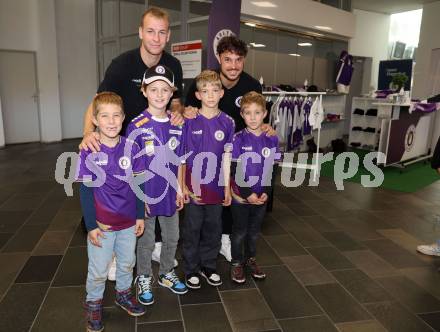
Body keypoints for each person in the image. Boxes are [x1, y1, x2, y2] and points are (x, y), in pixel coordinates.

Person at [80, 7, 183, 279]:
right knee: (117, 200)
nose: (156, 38)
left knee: (154, 200)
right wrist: (87, 134)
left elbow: (176, 104)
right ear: (140, 32)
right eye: (150, 31)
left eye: (162, 32)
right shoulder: (121, 65)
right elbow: (96, 103)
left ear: (168, 35)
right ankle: (113, 254)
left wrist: (182, 114)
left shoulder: (174, 65)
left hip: (154, 144)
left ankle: (155, 250)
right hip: (120, 144)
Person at [185, 36, 273, 262]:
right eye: (228, 59)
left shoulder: (252, 85)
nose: (233, 65)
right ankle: (212, 246)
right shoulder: (208, 83)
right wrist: (186, 112)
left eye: (238, 59)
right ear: (219, 59)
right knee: (211, 200)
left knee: (235, 195)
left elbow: (259, 113)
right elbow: (186, 108)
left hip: (242, 150)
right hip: (211, 150)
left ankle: (227, 238)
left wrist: (266, 127)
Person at [78, 92, 146, 332]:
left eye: (116, 115)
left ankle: (123, 294)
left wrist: (139, 215)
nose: (111, 121)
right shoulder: (89, 150)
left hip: (128, 222)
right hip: (102, 225)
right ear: (95, 120)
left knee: (127, 263)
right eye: (104, 116)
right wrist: (91, 226)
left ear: (124, 118)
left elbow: (139, 184)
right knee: (98, 270)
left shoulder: (131, 146)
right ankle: (94, 303)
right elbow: (86, 192)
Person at [126, 64, 188, 305]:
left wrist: (181, 188)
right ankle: (143, 276)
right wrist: (139, 200)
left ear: (172, 92)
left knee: (173, 237)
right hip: (147, 196)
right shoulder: (136, 125)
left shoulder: (177, 124)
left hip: (171, 193)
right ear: (144, 91)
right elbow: (132, 168)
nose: (160, 94)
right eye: (154, 89)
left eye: (165, 89)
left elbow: (181, 160)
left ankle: (165, 273)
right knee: (146, 241)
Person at [182, 70, 234, 289]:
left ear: (222, 93)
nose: (211, 95)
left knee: (214, 227)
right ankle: (191, 268)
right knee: (192, 228)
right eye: (205, 91)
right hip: (193, 187)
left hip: (216, 186)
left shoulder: (228, 122)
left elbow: (227, 157)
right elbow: (182, 157)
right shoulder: (189, 120)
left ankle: (209, 266)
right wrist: (182, 185)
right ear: (198, 94)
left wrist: (228, 188)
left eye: (215, 90)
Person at [229, 92, 280, 284]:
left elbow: (272, 169)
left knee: (254, 231)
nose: (252, 117)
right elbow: (235, 170)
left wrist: (266, 191)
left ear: (265, 113)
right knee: (240, 231)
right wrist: (247, 194)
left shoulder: (272, 139)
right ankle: (236, 263)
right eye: (248, 112)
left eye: (257, 112)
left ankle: (251, 260)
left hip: (261, 197)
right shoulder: (238, 139)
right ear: (241, 114)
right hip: (241, 197)